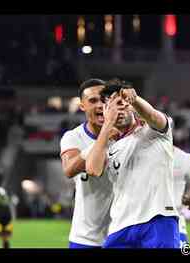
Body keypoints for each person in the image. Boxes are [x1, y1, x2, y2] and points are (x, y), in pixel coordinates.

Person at [84, 78, 179, 248]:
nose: (118, 110)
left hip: (158, 220)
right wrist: (107, 124)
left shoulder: (155, 131)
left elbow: (150, 114)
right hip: (120, 226)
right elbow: (91, 169)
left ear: (132, 107)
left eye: (121, 104)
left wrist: (134, 99)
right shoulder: (108, 144)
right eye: (111, 106)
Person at [60, 79, 113, 249]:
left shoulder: (125, 135)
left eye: (104, 99)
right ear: (82, 106)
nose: (100, 105)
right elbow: (69, 169)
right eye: (93, 100)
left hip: (121, 234)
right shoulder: (73, 137)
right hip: (85, 238)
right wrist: (104, 137)